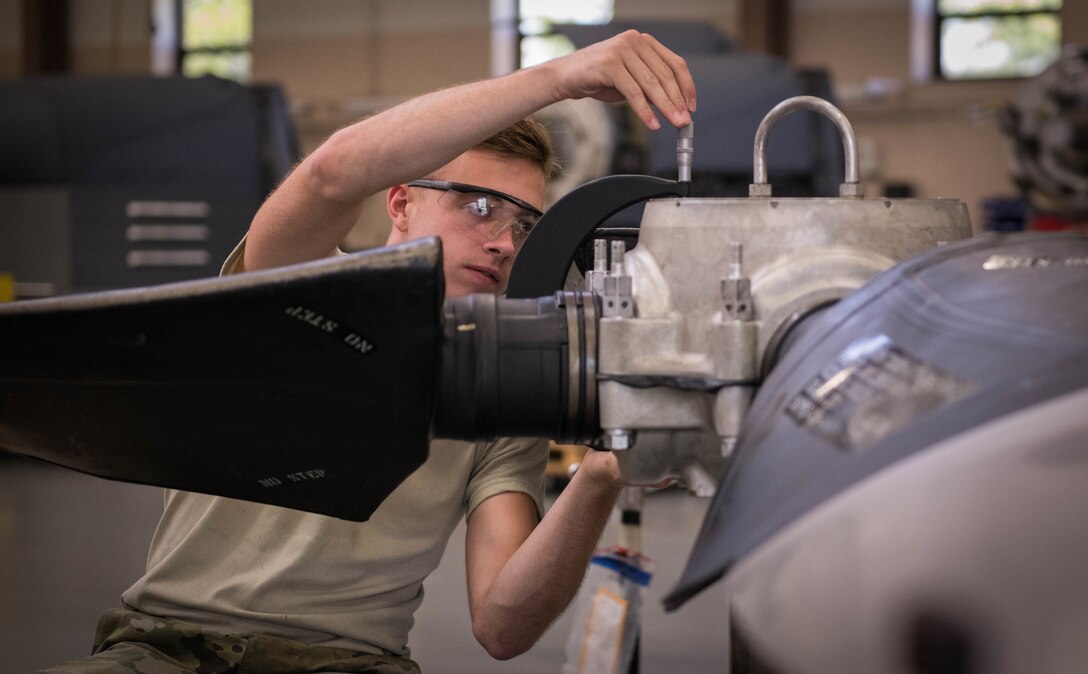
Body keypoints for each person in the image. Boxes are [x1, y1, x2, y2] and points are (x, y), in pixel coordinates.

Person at [42, 30, 695, 673]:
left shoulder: (500, 390)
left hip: (350, 662)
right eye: (479, 206)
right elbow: (331, 175)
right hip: (166, 648)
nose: (503, 241)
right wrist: (558, 79)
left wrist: (604, 473)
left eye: (524, 224)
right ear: (402, 203)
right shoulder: (294, 291)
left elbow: (503, 623)